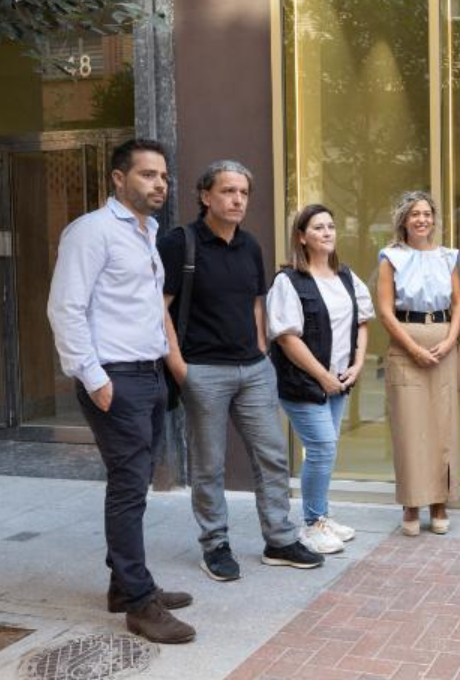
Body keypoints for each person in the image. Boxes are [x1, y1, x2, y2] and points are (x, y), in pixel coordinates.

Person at [46, 139, 194, 644]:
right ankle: (139, 601)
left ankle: (122, 585)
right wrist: (94, 378)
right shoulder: (91, 233)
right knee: (129, 489)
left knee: (134, 482)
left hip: (147, 374)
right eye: (148, 175)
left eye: (164, 177)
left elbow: (144, 307)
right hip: (115, 377)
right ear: (117, 178)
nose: (159, 185)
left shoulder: (147, 232)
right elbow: (65, 308)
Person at [158, 161, 322, 582]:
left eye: (243, 193)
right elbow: (159, 308)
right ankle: (215, 545)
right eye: (228, 191)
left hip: (252, 369)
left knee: (272, 455)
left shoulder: (250, 245)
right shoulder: (182, 243)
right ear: (205, 196)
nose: (237, 200)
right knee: (209, 464)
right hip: (203, 371)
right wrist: (179, 367)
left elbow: (255, 302)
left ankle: (280, 540)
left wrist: (262, 349)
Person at [266, 204, 375, 554]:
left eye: (331, 226)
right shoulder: (288, 281)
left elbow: (362, 321)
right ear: (302, 237)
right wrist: (323, 376)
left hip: (339, 381)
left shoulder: (346, 276)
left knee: (325, 450)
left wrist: (357, 364)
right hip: (304, 384)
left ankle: (321, 517)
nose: (327, 232)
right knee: (322, 448)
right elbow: (286, 337)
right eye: (318, 227)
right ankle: (313, 525)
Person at [377, 192, 460, 536]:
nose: (422, 219)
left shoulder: (448, 257)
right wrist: (412, 348)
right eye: (415, 214)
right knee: (410, 428)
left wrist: (451, 340)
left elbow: (458, 304)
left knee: (444, 426)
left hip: (443, 342)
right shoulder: (391, 258)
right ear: (404, 220)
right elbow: (385, 310)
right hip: (406, 344)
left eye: (427, 213)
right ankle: (411, 504)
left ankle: (439, 503)